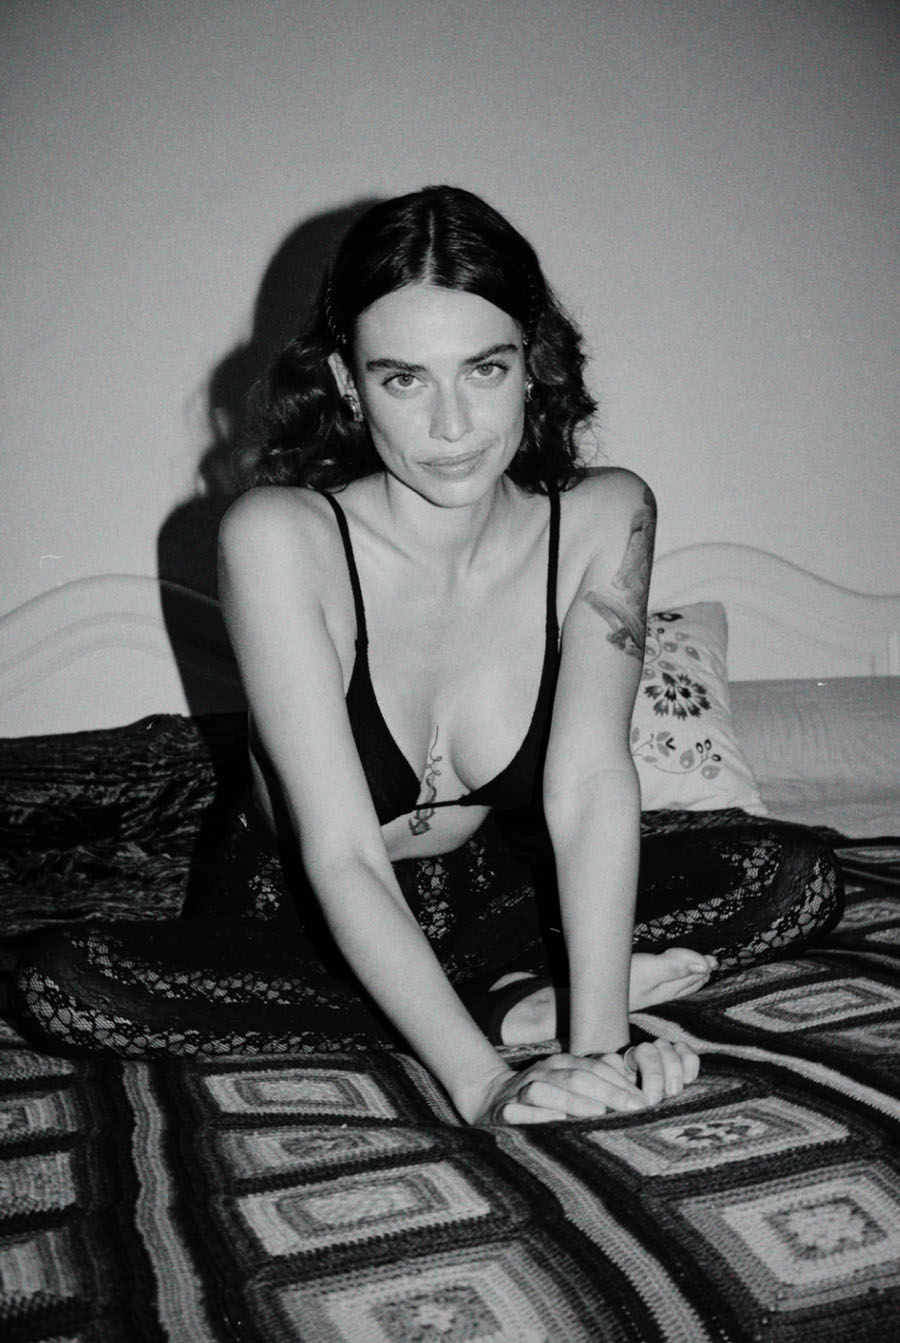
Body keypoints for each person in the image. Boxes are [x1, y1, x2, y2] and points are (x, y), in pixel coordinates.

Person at [11, 186, 842, 1126]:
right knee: (66, 984)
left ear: (532, 363)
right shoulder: (281, 537)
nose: (452, 427)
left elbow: (589, 788)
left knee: (791, 875)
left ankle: (528, 990)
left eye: (483, 369)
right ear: (347, 382)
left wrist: (599, 1045)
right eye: (404, 379)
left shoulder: (607, 516)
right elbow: (341, 854)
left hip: (494, 892)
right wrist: (486, 1082)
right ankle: (497, 1007)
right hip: (306, 913)